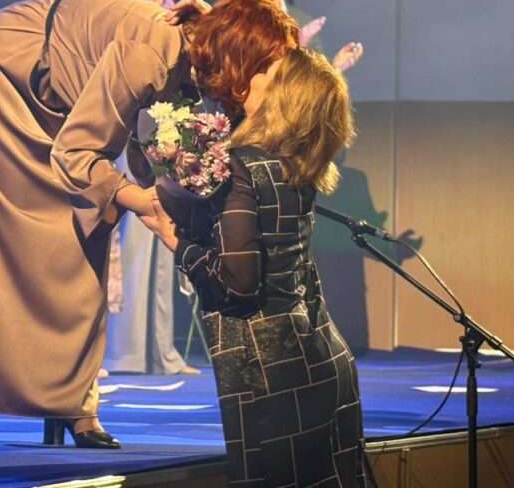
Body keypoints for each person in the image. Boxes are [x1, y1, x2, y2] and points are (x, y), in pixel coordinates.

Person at [0, 0, 298, 447]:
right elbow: (76, 155)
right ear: (241, 54)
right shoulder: (149, 54)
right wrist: (141, 201)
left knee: (88, 221)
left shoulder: (202, 54)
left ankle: (73, 398)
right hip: (3, 68)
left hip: (62, 100)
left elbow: (137, 139)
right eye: (265, 66)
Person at [149, 46, 369, 487]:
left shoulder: (244, 167)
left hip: (269, 369)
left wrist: (176, 241)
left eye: (270, 73)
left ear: (284, 97)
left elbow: (239, 284)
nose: (254, 77)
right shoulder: (297, 165)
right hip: (320, 354)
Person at [104, 0, 197, 375]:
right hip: (125, 138)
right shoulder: (117, 28)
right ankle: (125, 352)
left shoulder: (170, 30)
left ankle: (160, 351)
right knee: (133, 242)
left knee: (164, 242)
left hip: (161, 134)